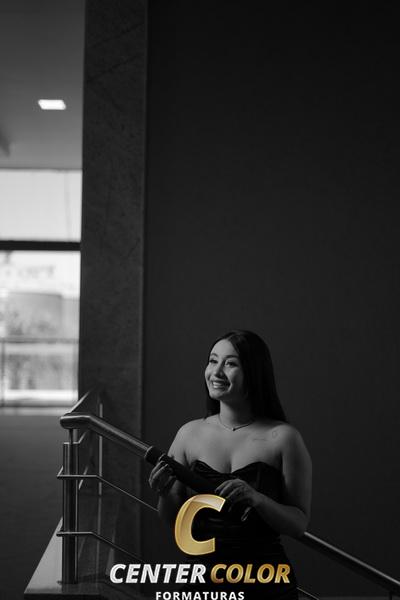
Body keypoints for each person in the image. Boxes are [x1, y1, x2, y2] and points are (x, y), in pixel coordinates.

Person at [148, 330, 312, 599]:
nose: (216, 372)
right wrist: (164, 493)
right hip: (203, 580)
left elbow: (298, 524)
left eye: (230, 363)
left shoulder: (284, 438)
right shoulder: (189, 434)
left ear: (254, 373)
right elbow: (171, 519)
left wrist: (257, 499)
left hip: (266, 583)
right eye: (213, 361)